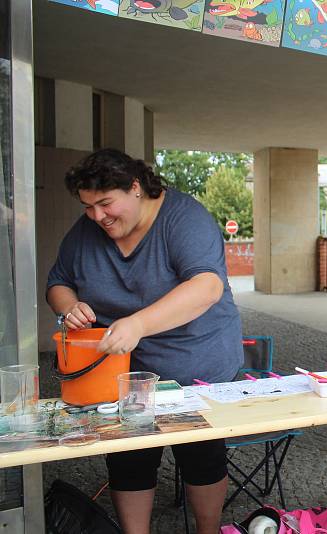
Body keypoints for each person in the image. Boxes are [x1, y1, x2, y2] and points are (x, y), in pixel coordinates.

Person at [46, 149, 243, 534]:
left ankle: (208, 529)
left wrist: (137, 324)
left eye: (105, 203)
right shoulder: (87, 230)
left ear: (135, 188)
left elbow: (206, 286)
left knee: (201, 453)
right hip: (121, 370)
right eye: (88, 207)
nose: (97, 217)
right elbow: (58, 282)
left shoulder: (185, 219)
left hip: (196, 359)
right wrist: (69, 309)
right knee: (129, 455)